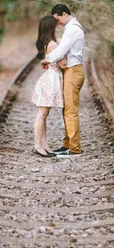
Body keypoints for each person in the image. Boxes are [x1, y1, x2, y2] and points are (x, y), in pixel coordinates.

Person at [41, 4, 85, 156]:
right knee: (67, 109)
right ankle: (68, 145)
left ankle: (74, 148)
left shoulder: (73, 29)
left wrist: (47, 59)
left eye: (57, 19)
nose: (57, 23)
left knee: (70, 111)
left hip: (73, 71)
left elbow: (61, 50)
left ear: (64, 14)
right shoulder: (71, 28)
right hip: (71, 71)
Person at [31, 15, 66, 157]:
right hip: (52, 79)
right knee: (42, 114)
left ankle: (44, 145)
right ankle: (38, 146)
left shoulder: (48, 43)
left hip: (49, 78)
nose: (57, 25)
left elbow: (48, 60)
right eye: (55, 24)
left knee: (43, 114)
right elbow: (62, 64)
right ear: (51, 27)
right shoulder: (53, 44)